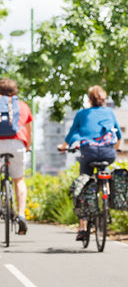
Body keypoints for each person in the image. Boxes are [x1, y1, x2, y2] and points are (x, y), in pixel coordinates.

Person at [57, 85, 121, 241]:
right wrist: (116, 149)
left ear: (90, 99)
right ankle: (106, 197)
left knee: (84, 183)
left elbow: (71, 133)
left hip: (89, 153)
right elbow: (118, 135)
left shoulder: (82, 113)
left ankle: (83, 228)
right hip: (108, 153)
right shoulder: (109, 112)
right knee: (104, 171)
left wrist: (63, 147)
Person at [0, 78, 33, 234]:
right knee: (19, 179)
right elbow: (29, 132)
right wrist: (27, 147)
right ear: (15, 92)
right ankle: (21, 214)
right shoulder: (22, 106)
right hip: (17, 144)